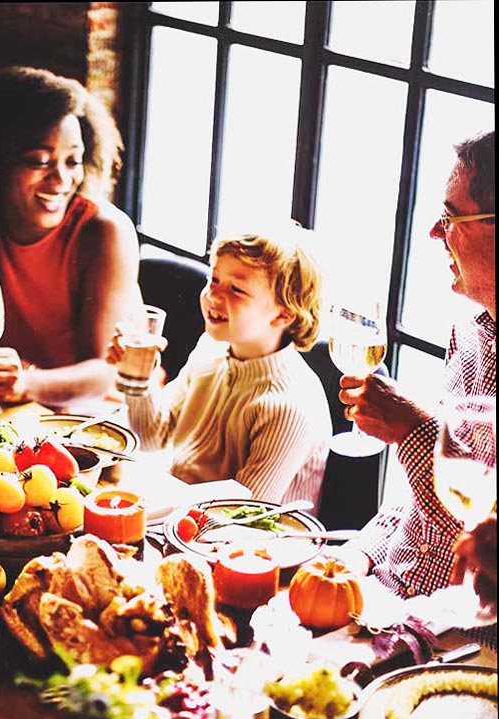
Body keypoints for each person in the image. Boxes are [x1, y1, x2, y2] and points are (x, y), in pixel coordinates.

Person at [337, 131, 495, 612]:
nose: (433, 231)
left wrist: (413, 430)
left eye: (450, 216)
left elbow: (481, 550)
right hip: (381, 595)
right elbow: (412, 506)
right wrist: (356, 558)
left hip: (454, 636)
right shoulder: (469, 333)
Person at [0, 66, 141, 407]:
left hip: (88, 415)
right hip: (1, 408)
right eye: (39, 162)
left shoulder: (104, 231)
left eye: (73, 161)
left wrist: (26, 382)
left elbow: (104, 373)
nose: (61, 180)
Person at [106, 223, 331, 510]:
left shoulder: (289, 404)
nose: (213, 295)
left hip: (251, 543)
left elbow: (244, 513)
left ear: (283, 314)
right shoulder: (211, 349)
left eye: (236, 289)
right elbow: (153, 436)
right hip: (180, 513)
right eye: (214, 279)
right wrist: (138, 376)